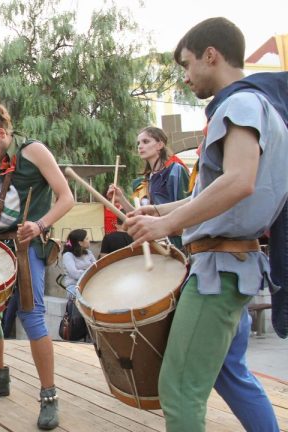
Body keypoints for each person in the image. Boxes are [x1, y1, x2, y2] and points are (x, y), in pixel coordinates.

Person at [124, 17, 286, 432]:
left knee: (178, 391)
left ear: (210, 55)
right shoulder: (260, 106)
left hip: (219, 270)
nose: (185, 76)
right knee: (230, 374)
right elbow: (215, 193)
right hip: (232, 266)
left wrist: (168, 225)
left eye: (187, 64)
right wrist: (160, 213)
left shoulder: (240, 104)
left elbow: (240, 181)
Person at [0, 99, 74, 430]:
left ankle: (49, 395)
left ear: (2, 133)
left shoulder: (33, 151)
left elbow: (67, 197)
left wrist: (40, 224)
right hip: (0, 243)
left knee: (31, 314)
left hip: (27, 244)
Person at [108, 127, 189, 249]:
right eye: (138, 143)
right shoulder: (141, 183)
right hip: (152, 245)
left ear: (160, 144)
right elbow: (139, 215)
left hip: (175, 244)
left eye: (145, 142)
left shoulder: (175, 171)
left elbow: (188, 208)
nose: (140, 146)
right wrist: (121, 199)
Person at [60, 229, 96, 294]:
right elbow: (75, 274)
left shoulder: (88, 253)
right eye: (87, 239)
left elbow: (96, 267)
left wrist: (88, 271)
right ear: (80, 243)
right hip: (74, 286)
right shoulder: (68, 255)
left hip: (89, 284)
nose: (89, 240)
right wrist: (90, 272)